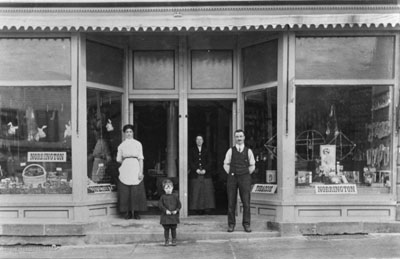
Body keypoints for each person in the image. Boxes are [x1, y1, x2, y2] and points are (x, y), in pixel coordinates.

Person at [223, 129, 256, 233]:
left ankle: (246, 224)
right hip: (232, 177)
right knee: (231, 202)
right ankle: (231, 225)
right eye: (237, 137)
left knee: (246, 202)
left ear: (244, 137)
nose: (239, 138)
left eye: (241, 136)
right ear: (235, 138)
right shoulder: (230, 151)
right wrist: (232, 172)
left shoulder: (248, 151)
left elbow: (252, 165)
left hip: (245, 178)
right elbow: (225, 164)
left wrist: (245, 173)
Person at [116, 124, 147, 220]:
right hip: (125, 167)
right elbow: (118, 159)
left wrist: (140, 172)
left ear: (133, 133)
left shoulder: (138, 144)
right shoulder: (121, 145)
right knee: (126, 190)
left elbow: (141, 158)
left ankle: (136, 212)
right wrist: (126, 162)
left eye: (130, 132)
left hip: (135, 166)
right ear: (124, 133)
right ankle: (128, 212)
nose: (129, 134)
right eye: (127, 132)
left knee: (136, 189)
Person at [188, 134, 215, 215]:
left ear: (203, 141)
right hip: (195, 174)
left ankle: (206, 208)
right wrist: (195, 169)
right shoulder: (191, 150)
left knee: (206, 192)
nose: (199, 141)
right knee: (195, 192)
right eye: (197, 139)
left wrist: (205, 170)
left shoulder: (207, 150)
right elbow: (190, 161)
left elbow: (210, 161)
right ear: (195, 141)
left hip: (206, 175)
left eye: (200, 139)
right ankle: (195, 208)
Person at [159, 179, 181, 246]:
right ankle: (166, 240)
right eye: (166, 188)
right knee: (166, 229)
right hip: (166, 216)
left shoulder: (175, 197)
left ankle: (174, 239)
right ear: (164, 189)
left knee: (173, 229)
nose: (168, 190)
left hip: (173, 216)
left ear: (172, 187)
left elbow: (179, 205)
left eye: (170, 188)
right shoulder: (163, 197)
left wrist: (176, 210)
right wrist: (165, 210)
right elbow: (160, 205)